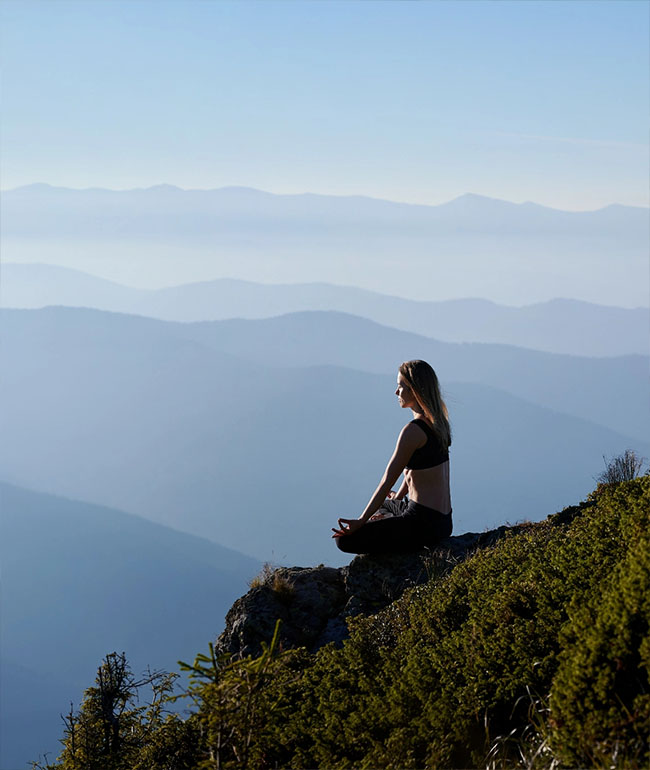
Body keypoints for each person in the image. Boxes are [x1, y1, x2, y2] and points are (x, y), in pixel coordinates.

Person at [332, 359, 452, 554]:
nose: (396, 392)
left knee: (344, 541)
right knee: (387, 505)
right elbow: (418, 468)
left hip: (423, 524)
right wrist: (400, 495)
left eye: (400, 386)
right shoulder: (438, 424)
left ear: (414, 391)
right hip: (444, 521)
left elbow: (387, 480)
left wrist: (361, 521)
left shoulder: (412, 432)